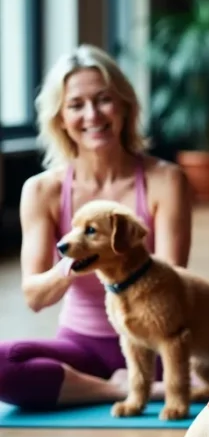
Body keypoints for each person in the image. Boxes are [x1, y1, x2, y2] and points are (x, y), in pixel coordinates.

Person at [0, 44, 193, 409]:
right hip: (82, 345)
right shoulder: (41, 190)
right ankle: (119, 390)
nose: (92, 115)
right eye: (76, 105)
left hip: (151, 344)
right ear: (60, 118)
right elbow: (35, 296)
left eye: (104, 100)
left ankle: (131, 384)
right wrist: (78, 259)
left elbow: (172, 279)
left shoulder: (166, 180)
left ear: (124, 106)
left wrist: (110, 251)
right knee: (3, 364)